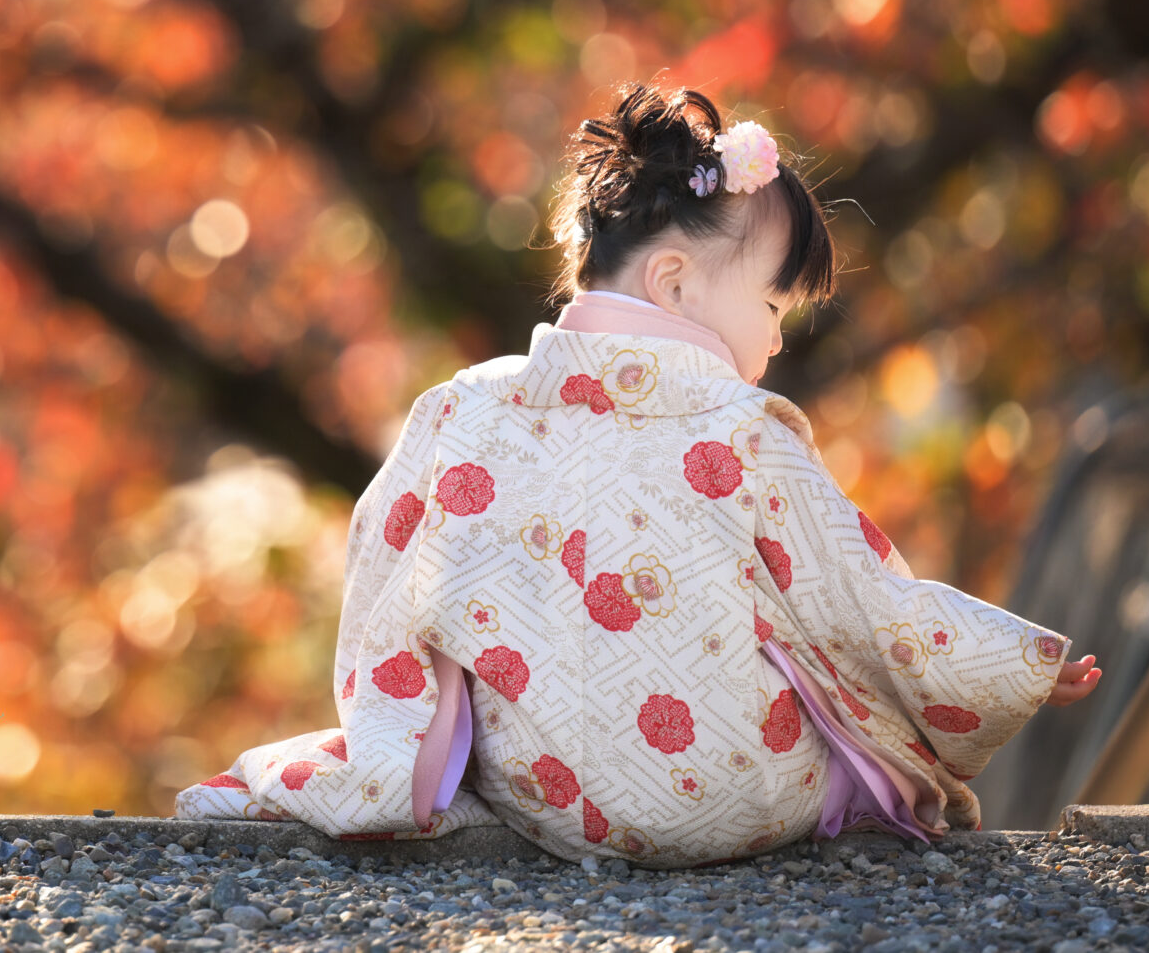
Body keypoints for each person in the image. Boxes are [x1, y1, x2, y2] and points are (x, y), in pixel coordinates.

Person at [173, 81, 1099, 867]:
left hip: (547, 795)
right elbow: (856, 594)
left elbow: (390, 577)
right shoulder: (742, 427)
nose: (778, 336)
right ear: (673, 284)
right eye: (773, 301)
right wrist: (1008, 662)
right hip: (736, 791)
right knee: (860, 736)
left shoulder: (465, 409)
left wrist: (397, 735)